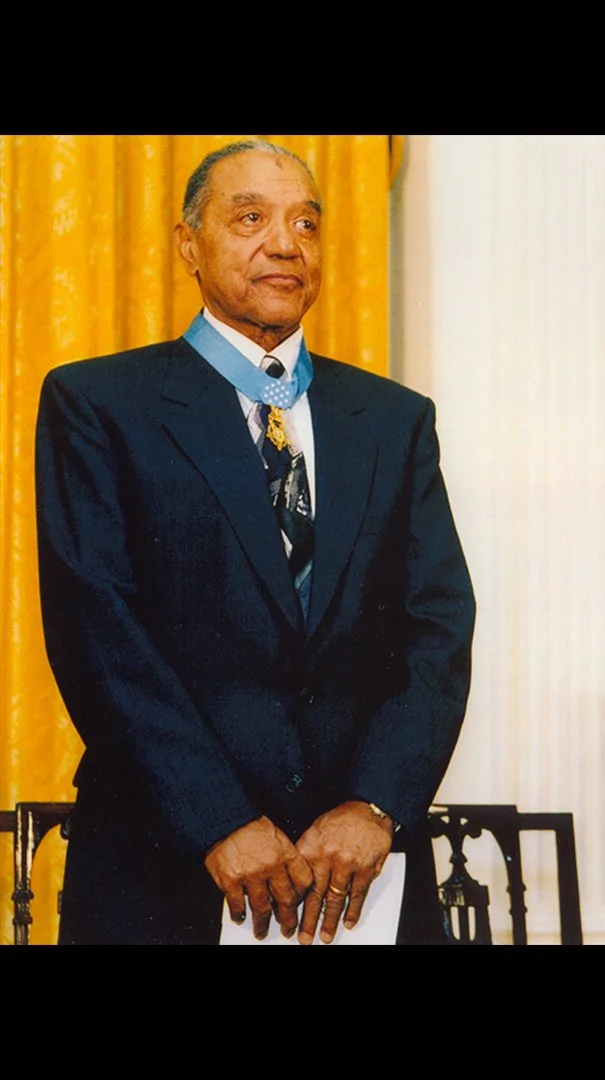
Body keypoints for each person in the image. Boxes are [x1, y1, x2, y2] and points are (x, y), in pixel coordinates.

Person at [36, 139, 475, 945]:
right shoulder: (99, 405)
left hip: (358, 878)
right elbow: (98, 633)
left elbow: (438, 629)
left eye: (306, 222)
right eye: (251, 218)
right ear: (187, 245)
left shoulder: (392, 419)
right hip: (163, 867)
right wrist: (219, 819)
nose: (285, 243)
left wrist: (376, 805)